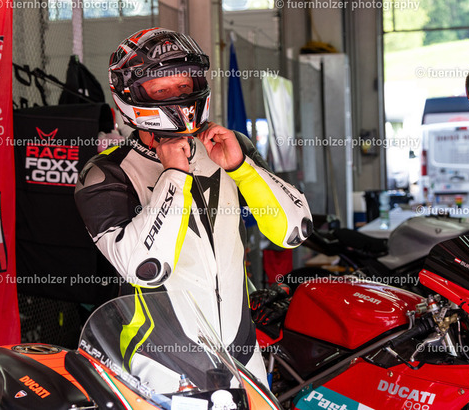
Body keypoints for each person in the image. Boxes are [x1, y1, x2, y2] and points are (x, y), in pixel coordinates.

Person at [74, 28, 312, 386]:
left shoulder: (228, 146)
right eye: (162, 90)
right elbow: (145, 268)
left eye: (184, 85)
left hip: (243, 354)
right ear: (131, 94)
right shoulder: (106, 172)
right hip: (160, 361)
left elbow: (295, 231)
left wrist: (242, 169)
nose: (178, 97)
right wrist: (174, 174)